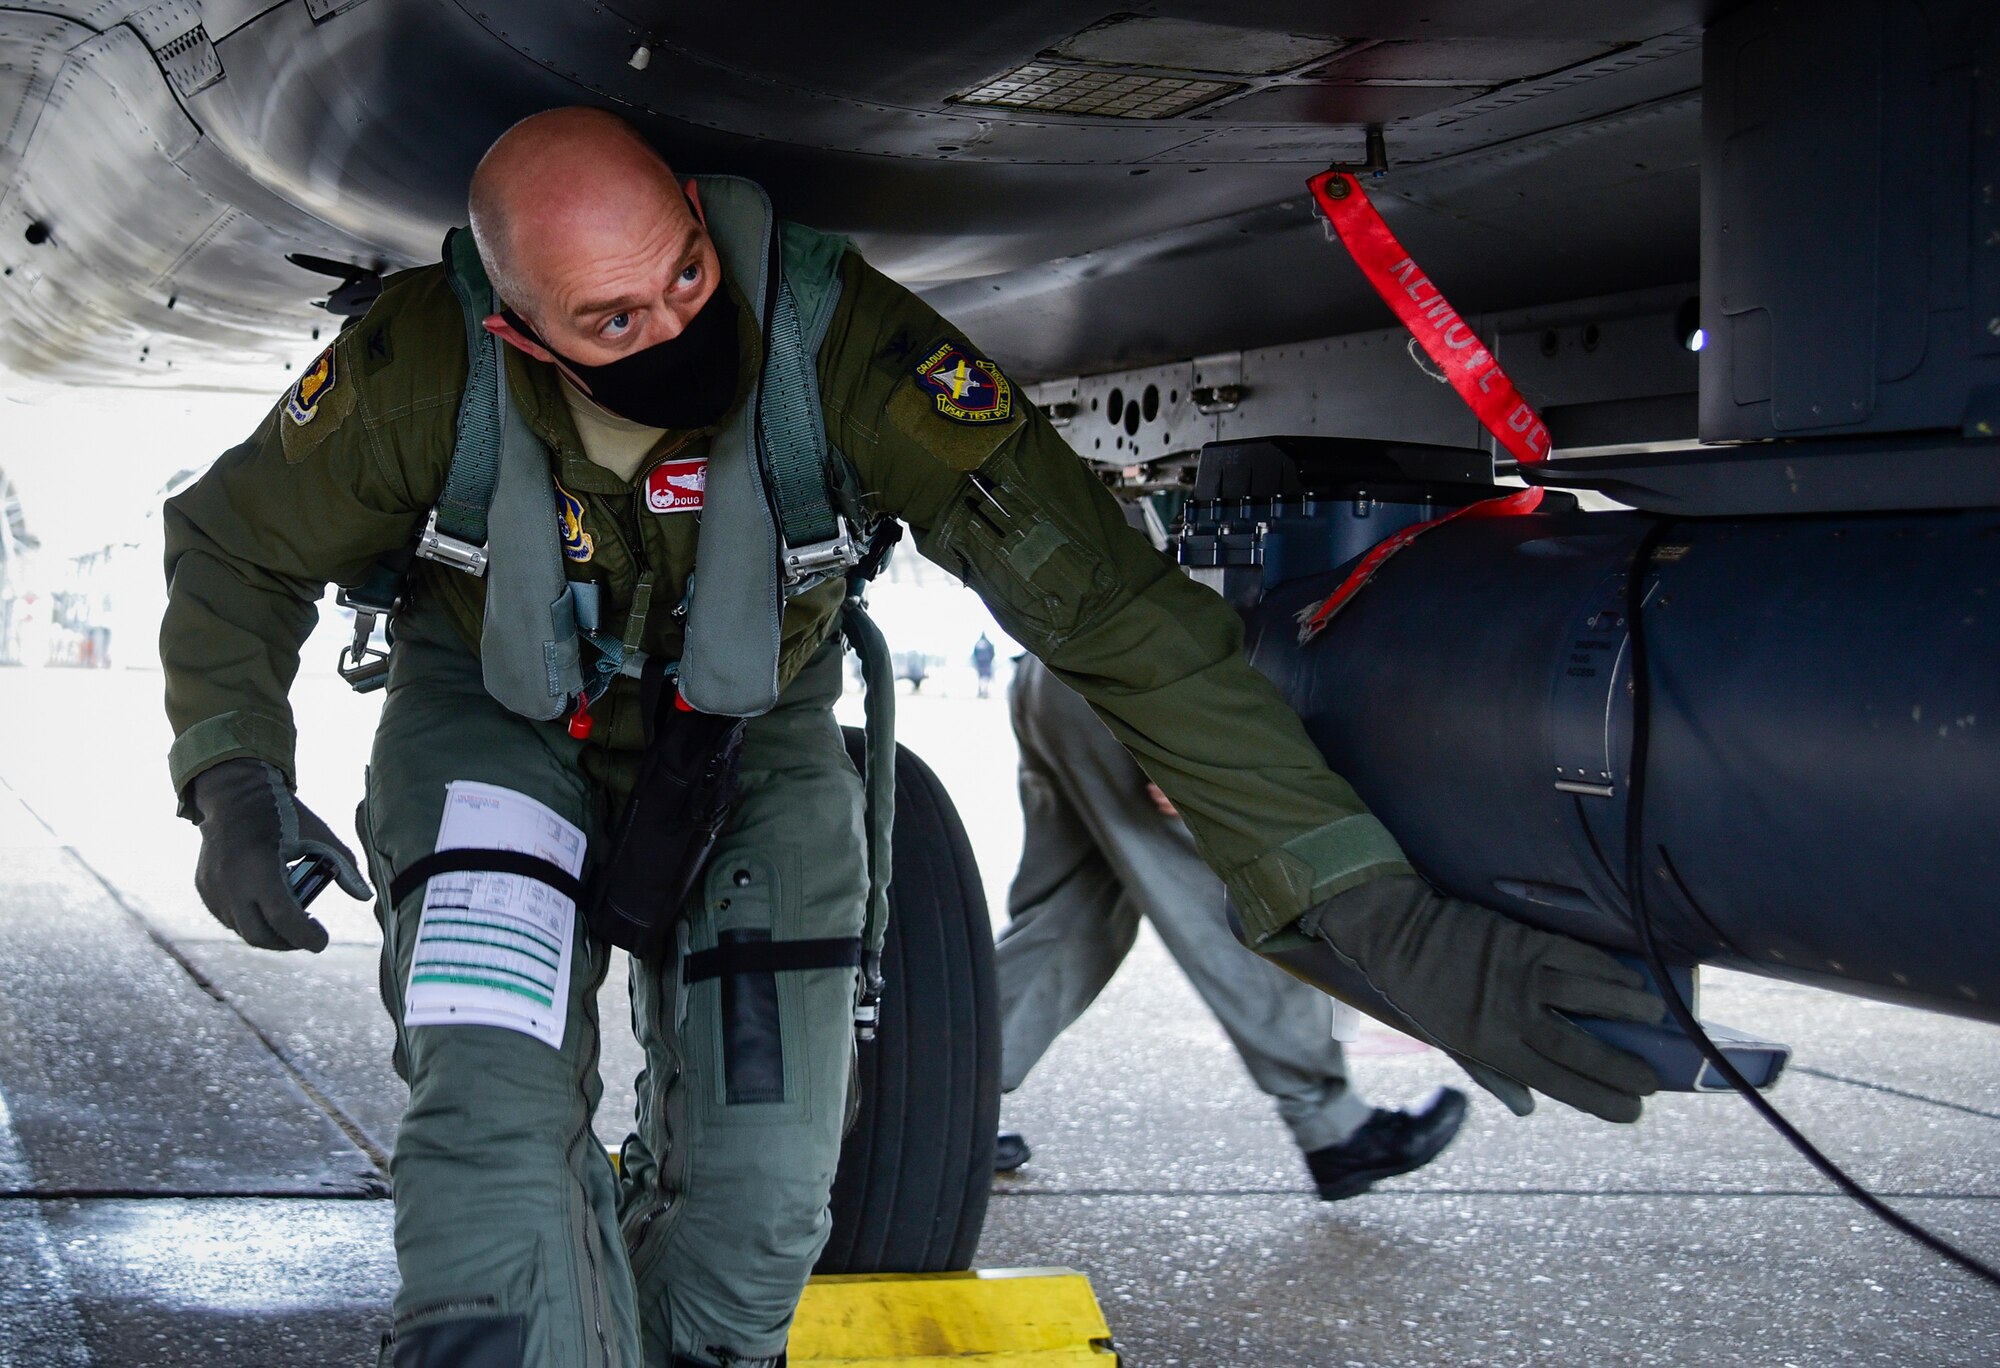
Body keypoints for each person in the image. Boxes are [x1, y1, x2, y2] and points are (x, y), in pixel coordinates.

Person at [159, 107, 1661, 1368]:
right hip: (494, 732)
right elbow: (232, 548)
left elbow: (1113, 611)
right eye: (613, 321)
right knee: (488, 1148)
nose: (678, 329)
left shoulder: (845, 353)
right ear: (518, 328)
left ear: (698, 215)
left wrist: (1356, 902)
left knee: (756, 1216)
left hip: (751, 745)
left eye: (686, 275)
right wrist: (232, 769)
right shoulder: (425, 370)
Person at [993, 654, 1466, 1199]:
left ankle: (943, 1099)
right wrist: (1181, 742)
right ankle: (1335, 1128)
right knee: (1242, 904)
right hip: (1135, 679)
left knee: (1072, 916)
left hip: (1057, 670)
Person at [970, 632, 996, 698]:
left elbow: (974, 653)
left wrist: (977, 661)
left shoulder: (978, 643)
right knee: (986, 678)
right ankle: (985, 691)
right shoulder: (989, 644)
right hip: (987, 662)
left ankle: (980, 691)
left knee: (980, 678)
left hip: (979, 663)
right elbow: (992, 653)